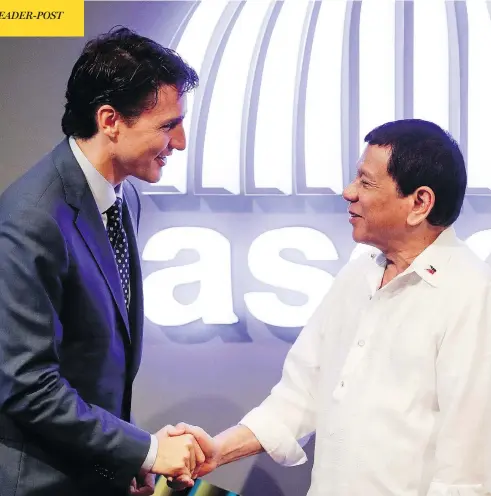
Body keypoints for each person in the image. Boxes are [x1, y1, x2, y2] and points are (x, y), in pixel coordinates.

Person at [172, 119, 491, 495]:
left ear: (419, 202)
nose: (348, 192)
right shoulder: (357, 275)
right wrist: (219, 450)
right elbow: (300, 395)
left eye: (366, 182)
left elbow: (466, 472)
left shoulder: (473, 294)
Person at [0, 27, 213, 496]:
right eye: (166, 125)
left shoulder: (122, 199)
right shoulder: (31, 219)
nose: (178, 141)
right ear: (110, 119)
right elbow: (27, 386)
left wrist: (125, 454)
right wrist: (148, 450)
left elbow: (94, 365)